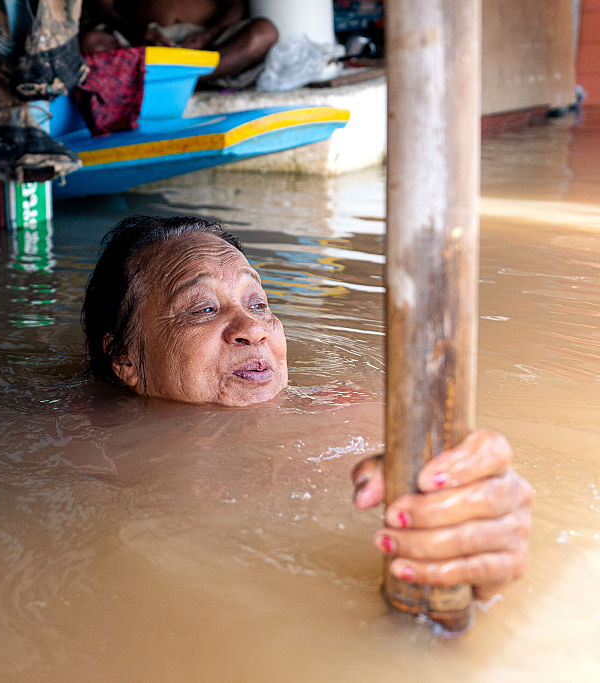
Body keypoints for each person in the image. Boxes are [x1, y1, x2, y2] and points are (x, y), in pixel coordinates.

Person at [82, 215, 532, 599]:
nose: (252, 328)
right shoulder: (82, 446)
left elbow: (470, 481)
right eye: (202, 308)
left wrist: (479, 515)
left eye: (258, 303)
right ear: (124, 358)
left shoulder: (348, 411)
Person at [80, 0, 278, 88]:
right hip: (141, 39)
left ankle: (183, 76)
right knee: (91, 43)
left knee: (264, 33)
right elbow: (102, 6)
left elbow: (237, 5)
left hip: (205, 42)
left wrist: (207, 36)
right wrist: (137, 32)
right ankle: (173, 77)